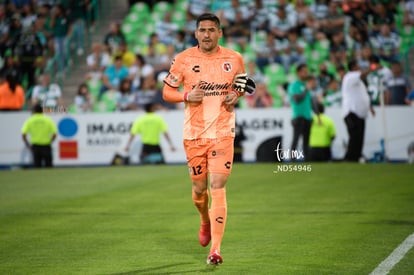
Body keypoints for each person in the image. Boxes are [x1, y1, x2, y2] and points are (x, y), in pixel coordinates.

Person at [162, 13, 255, 265]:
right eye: (202, 30)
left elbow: (243, 83)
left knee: (218, 186)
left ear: (220, 33)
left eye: (212, 30)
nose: (207, 34)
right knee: (199, 189)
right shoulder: (183, 59)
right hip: (194, 135)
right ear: (196, 33)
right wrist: (185, 97)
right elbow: (166, 91)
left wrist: (236, 94)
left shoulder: (234, 58)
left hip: (223, 133)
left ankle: (215, 249)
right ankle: (204, 219)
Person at [342, 59, 375, 162]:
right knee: (355, 136)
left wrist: (370, 108)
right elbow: (362, 74)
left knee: (359, 137)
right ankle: (350, 158)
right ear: (353, 67)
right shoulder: (350, 76)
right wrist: (371, 69)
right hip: (352, 112)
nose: (359, 68)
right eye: (357, 66)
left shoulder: (358, 81)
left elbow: (363, 96)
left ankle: (356, 156)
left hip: (360, 113)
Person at [287, 64, 313, 162]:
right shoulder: (294, 85)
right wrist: (306, 89)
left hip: (307, 116)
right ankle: (292, 160)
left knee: (306, 141)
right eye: (304, 71)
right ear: (298, 73)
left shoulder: (305, 85)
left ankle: (308, 161)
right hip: (298, 116)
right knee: (296, 139)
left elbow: (310, 101)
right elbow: (296, 99)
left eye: (307, 71)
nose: (306, 73)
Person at [21, 103, 57, 168]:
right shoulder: (47, 119)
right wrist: (50, 141)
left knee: (37, 167)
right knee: (49, 166)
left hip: (35, 146)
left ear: (34, 111)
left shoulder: (30, 120)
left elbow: (23, 134)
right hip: (46, 145)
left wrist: (28, 145)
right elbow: (54, 133)